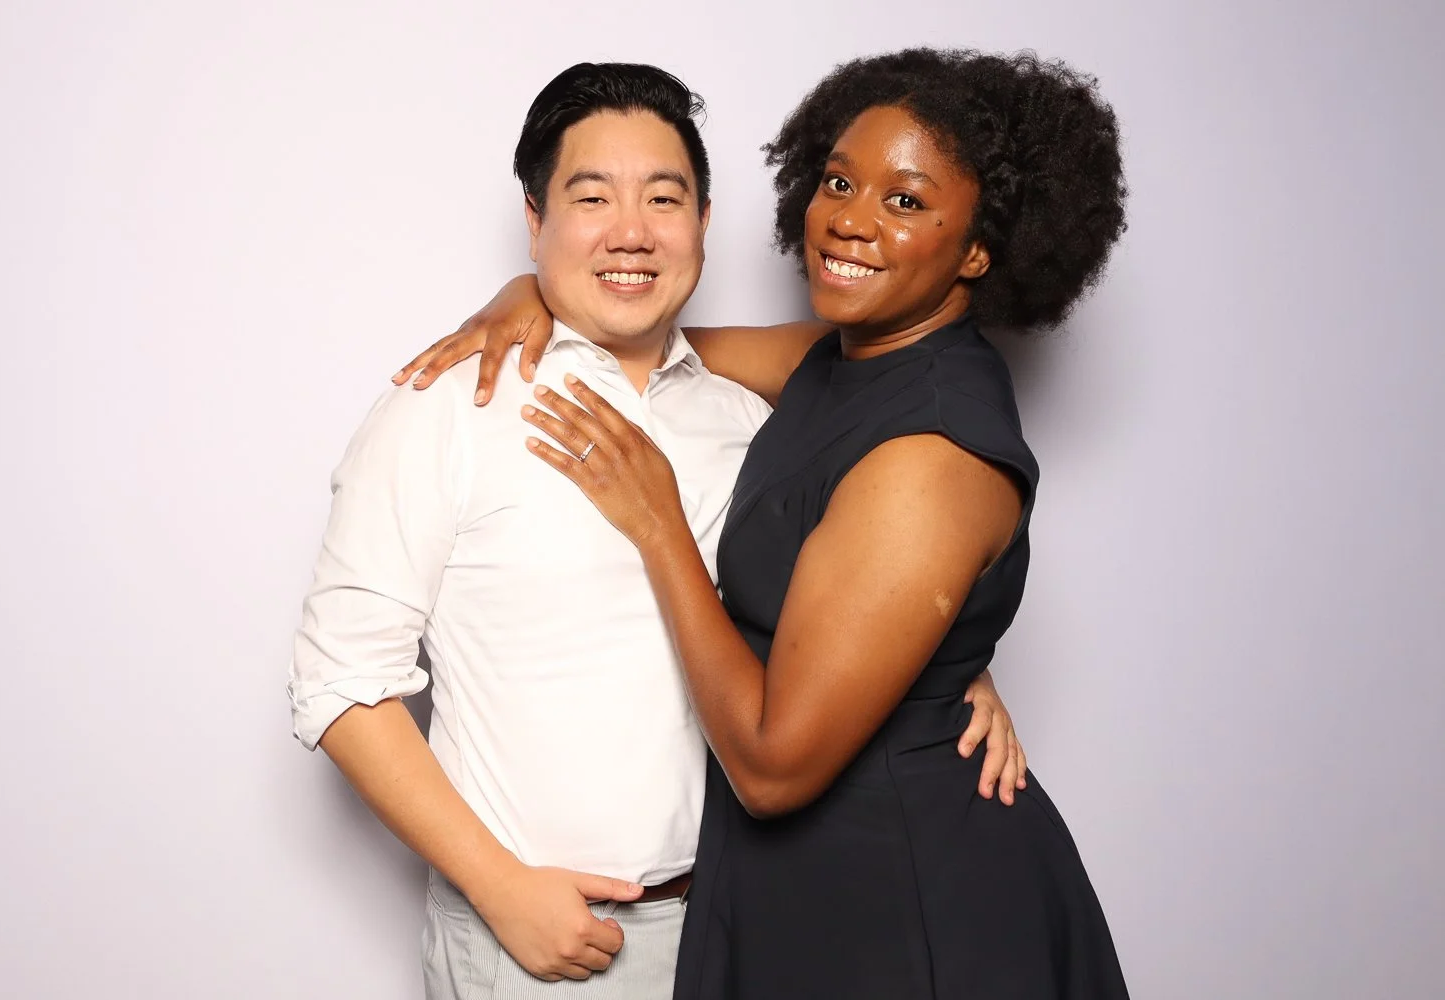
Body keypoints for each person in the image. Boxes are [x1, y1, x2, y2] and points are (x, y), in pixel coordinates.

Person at [393, 48, 1129, 999]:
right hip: (803, 886)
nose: (851, 219)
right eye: (838, 180)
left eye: (906, 201)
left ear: (980, 246)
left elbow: (773, 771)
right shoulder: (843, 359)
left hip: (907, 900)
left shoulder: (932, 453)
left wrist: (658, 522)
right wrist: (529, 289)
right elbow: (656, 336)